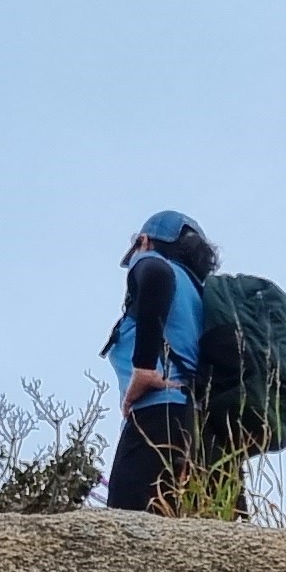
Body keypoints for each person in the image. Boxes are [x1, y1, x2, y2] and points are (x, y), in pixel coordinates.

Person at [100, 211, 216, 515]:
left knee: (124, 523)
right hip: (196, 428)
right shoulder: (200, 296)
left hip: (156, 415)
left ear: (145, 241)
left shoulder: (154, 263)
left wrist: (144, 368)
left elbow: (155, 276)